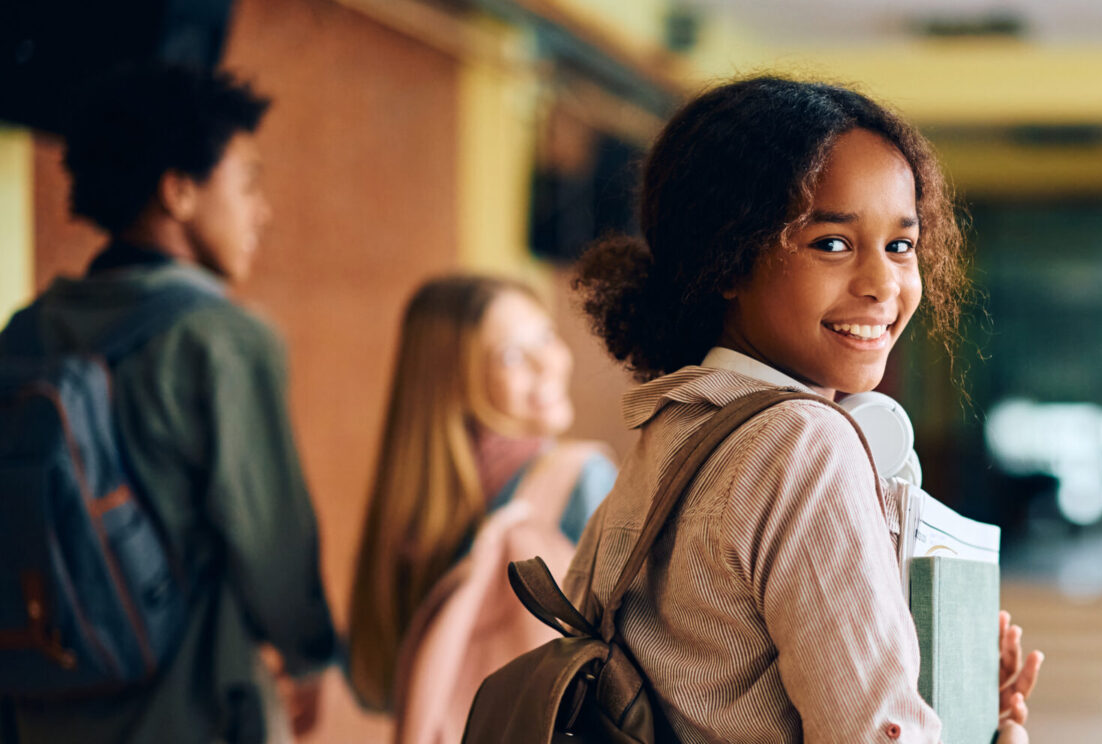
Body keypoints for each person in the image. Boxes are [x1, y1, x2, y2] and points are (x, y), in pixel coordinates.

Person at [566, 75, 1041, 743]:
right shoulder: (804, 443)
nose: (883, 284)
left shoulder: (674, 429)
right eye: (833, 244)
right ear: (726, 259)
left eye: (901, 246)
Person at [0, 64, 336, 743]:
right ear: (178, 192)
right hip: (189, 708)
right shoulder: (223, 339)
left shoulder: (25, 330)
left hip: (39, 710)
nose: (261, 211)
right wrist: (313, 659)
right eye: (247, 183)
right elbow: (272, 542)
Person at [345, 275, 615, 742]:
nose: (547, 362)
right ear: (455, 380)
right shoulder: (580, 479)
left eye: (546, 336)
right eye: (511, 356)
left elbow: (378, 687)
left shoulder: (414, 519)